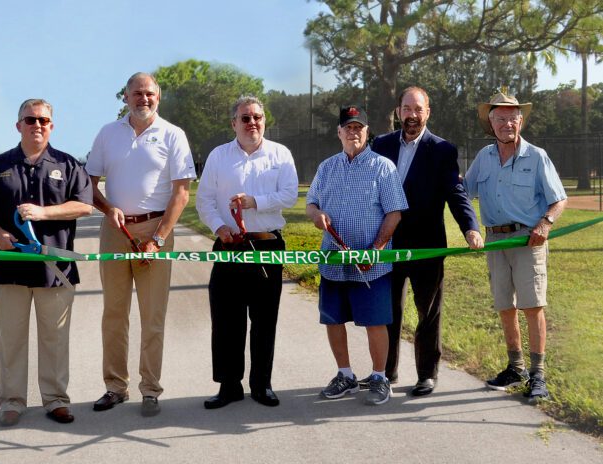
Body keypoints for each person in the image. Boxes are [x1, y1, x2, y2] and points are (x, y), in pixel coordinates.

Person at [0, 99, 92, 426]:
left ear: (52, 125)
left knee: (55, 339)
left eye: (44, 120)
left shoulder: (67, 164)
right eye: (31, 120)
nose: (38, 125)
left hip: (55, 269)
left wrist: (44, 213)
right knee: (12, 339)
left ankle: (55, 400)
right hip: (9, 269)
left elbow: (84, 206)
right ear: (18, 125)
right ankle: (12, 402)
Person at [85, 72, 196, 417]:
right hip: (115, 230)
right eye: (136, 94)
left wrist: (159, 238)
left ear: (157, 97)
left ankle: (150, 389)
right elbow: (88, 185)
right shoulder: (108, 133)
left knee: (153, 316)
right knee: (114, 314)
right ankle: (115, 387)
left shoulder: (173, 134)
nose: (143, 99)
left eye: (149, 94)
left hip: (155, 230)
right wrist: (108, 208)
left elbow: (181, 192)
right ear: (126, 97)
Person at [369, 87, 484, 397]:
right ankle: (386, 371)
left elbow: (456, 194)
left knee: (428, 312)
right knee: (387, 310)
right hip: (387, 244)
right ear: (398, 111)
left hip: (427, 246)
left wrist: (470, 228)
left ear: (428, 112)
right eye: (407, 108)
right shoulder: (379, 145)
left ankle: (426, 374)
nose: (412, 115)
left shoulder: (443, 150)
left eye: (418, 109)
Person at [196, 96, 298, 409]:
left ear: (264, 121)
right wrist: (218, 227)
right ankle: (229, 386)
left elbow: (290, 195)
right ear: (234, 123)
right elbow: (205, 201)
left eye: (257, 117)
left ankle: (261, 384)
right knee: (227, 319)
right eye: (245, 118)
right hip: (230, 245)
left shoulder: (280, 154)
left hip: (267, 245)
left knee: (265, 318)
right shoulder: (219, 156)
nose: (251, 123)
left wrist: (256, 201)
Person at [463, 92, 567, 402]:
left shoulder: (537, 156)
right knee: (504, 307)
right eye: (500, 118)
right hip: (495, 240)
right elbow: (462, 193)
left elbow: (559, 199)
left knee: (532, 307)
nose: (507, 123)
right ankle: (516, 367)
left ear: (520, 120)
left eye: (513, 117)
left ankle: (538, 375)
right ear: (490, 123)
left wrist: (545, 224)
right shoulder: (483, 158)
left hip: (528, 239)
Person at [305, 105, 407, 406]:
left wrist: (375, 251)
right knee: (333, 320)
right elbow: (311, 204)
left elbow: (394, 214)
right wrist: (317, 215)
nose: (353, 132)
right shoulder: (326, 168)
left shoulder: (382, 167)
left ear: (366, 131)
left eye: (358, 127)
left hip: (370, 264)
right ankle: (345, 375)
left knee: (375, 322)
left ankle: (379, 377)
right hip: (333, 262)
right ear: (339, 132)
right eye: (348, 127)